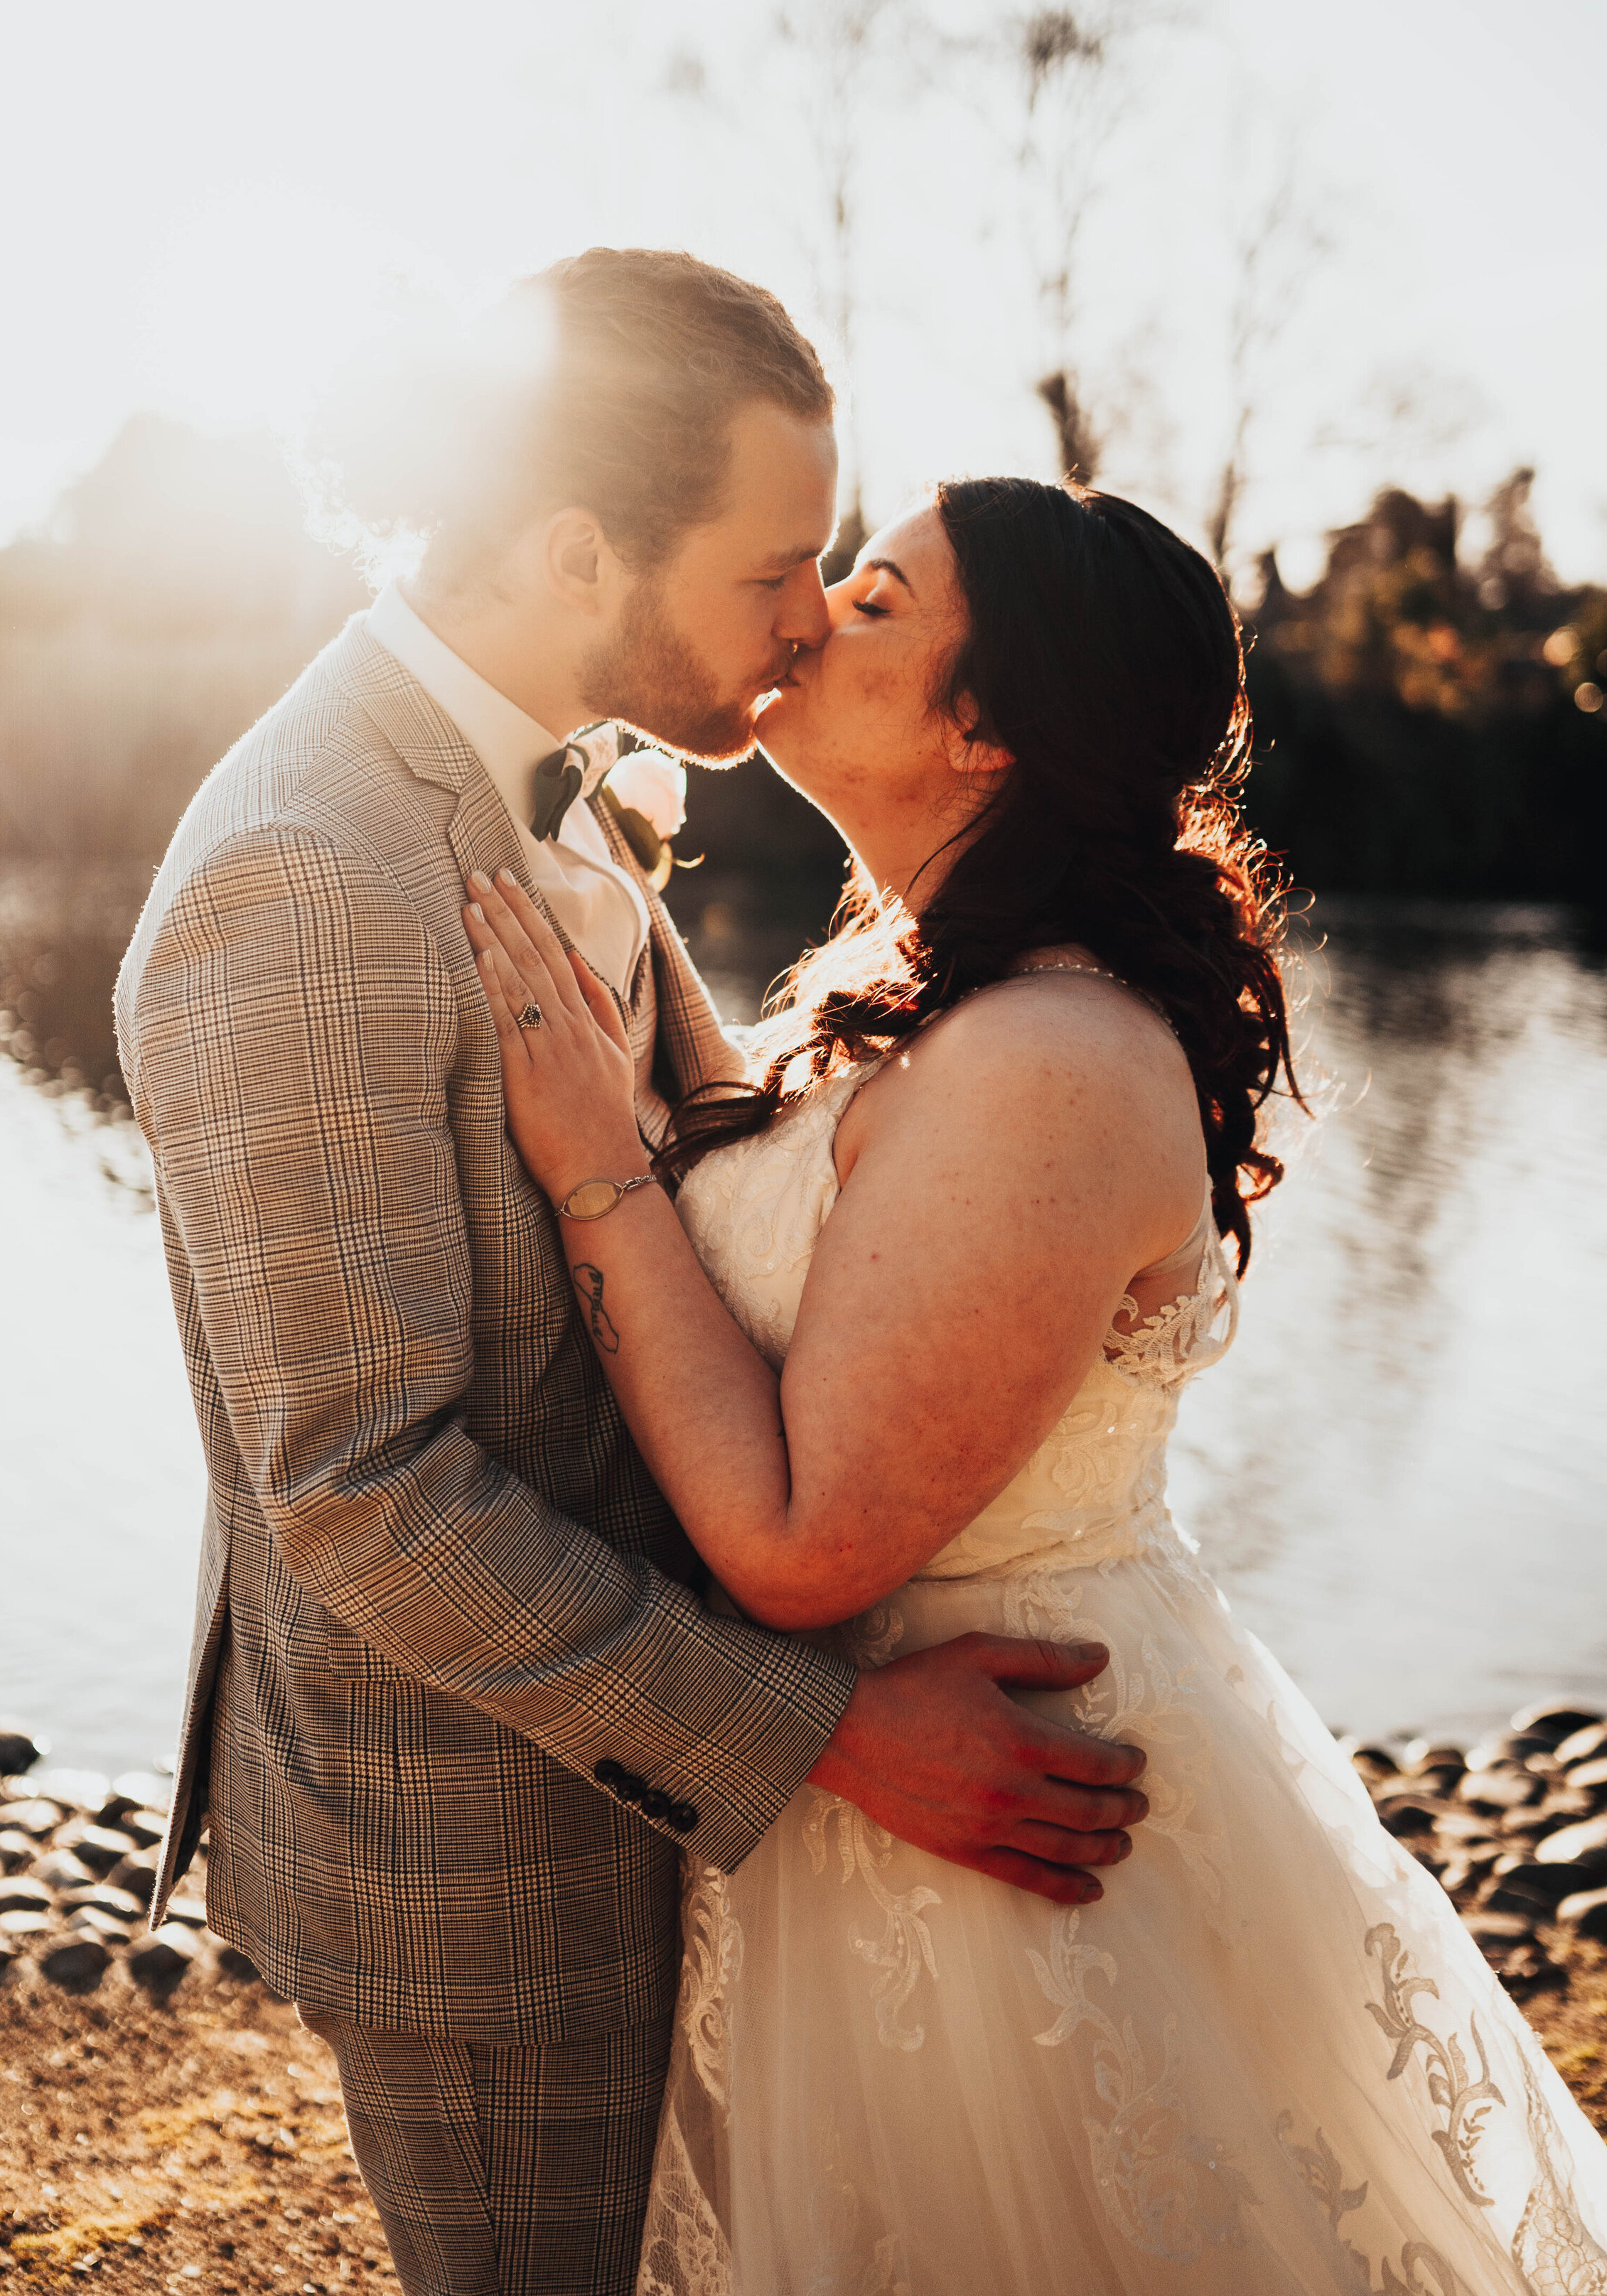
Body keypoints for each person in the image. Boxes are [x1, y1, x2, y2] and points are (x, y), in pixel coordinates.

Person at [113, 252, 1148, 2296]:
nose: (802, 620)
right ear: (583, 547)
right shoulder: (305, 882)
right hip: (483, 1860)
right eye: (779, 568)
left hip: (662, 1801)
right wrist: (835, 1735)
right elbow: (361, 1492)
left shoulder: (561, 781)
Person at [468, 474, 1607, 2293]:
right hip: (868, 1794)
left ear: (986, 726)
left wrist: (593, 1166)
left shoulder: (1052, 1061)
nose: (807, 607)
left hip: (1002, 1837)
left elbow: (796, 1542)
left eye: (876, 597)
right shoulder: (912, 982)